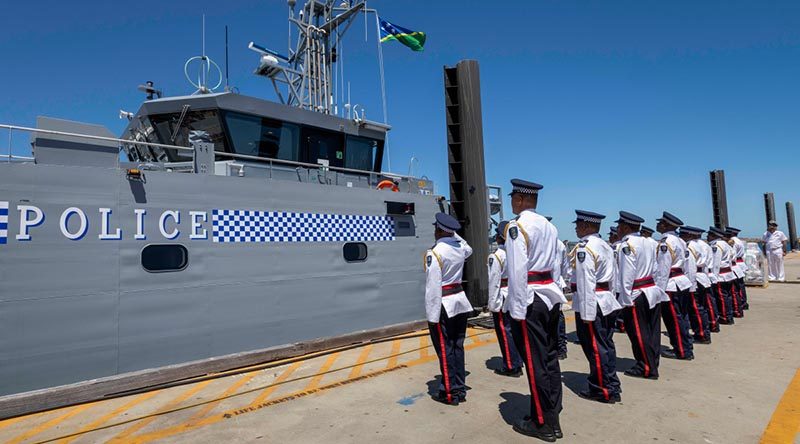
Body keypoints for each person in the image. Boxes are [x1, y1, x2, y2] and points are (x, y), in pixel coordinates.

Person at [505, 179, 567, 441]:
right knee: (550, 359)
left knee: (534, 363)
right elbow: (556, 264)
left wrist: (517, 312)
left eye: (513, 199)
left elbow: (517, 272)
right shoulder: (549, 227)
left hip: (529, 300)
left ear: (519, 200)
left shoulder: (517, 227)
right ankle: (552, 413)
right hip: (550, 296)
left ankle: (543, 424)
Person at [571, 210, 622, 403]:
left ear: (586, 226)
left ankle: (602, 388)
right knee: (606, 345)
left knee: (595, 347)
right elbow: (614, 277)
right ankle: (611, 383)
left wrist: (586, 312)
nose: (575, 228)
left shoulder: (585, 248)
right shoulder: (605, 245)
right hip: (606, 299)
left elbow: (585, 282)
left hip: (593, 302)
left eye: (578, 225)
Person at [424, 213, 473, 405]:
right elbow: (469, 248)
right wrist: (455, 233)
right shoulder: (460, 248)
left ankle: (450, 392)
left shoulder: (435, 253)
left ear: (438, 230)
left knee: (444, 349)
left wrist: (432, 316)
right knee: (457, 346)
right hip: (460, 301)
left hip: (443, 304)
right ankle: (459, 387)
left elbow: (432, 286)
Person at [616, 211, 669, 379]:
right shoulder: (650, 242)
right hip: (651, 289)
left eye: (619, 226)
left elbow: (627, 275)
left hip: (636, 292)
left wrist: (624, 299)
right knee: (652, 331)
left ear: (625, 227)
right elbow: (656, 269)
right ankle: (653, 361)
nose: (617, 229)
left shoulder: (627, 245)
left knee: (638, 332)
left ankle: (646, 367)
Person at [655, 212, 694, 360]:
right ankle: (686, 346)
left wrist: (659, 291)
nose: (658, 225)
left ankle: (681, 350)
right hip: (681, 282)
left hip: (671, 285)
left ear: (666, 225)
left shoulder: (666, 242)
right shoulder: (679, 240)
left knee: (674, 320)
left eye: (660, 223)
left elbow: (663, 270)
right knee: (682, 317)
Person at [487, 221, 523, 377]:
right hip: (513, 293)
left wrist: (492, 304)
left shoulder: (496, 256)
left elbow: (494, 281)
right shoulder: (514, 253)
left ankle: (510, 365)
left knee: (504, 331)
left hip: (501, 295)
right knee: (515, 330)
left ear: (500, 237)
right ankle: (518, 360)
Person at [679, 226, 711, 344]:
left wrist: (690, 285)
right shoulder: (701, 245)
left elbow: (690, 267)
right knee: (701, 308)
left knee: (696, 309)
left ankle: (702, 335)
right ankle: (703, 332)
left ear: (689, 235)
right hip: (702, 277)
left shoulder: (690, 246)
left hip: (695, 279)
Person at [708, 227, 736, 325]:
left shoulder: (716, 246)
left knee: (722, 297)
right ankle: (729, 315)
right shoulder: (725, 244)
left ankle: (725, 317)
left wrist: (714, 278)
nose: (707, 236)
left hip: (721, 275)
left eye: (709, 235)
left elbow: (716, 263)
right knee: (727, 296)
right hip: (728, 273)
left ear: (714, 235)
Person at [726, 227, 748, 314]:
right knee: (740, 285)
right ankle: (743, 302)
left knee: (737, 287)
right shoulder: (739, 241)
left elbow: (732, 254)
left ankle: (741, 303)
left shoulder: (733, 242)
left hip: (736, 264)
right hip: (740, 263)